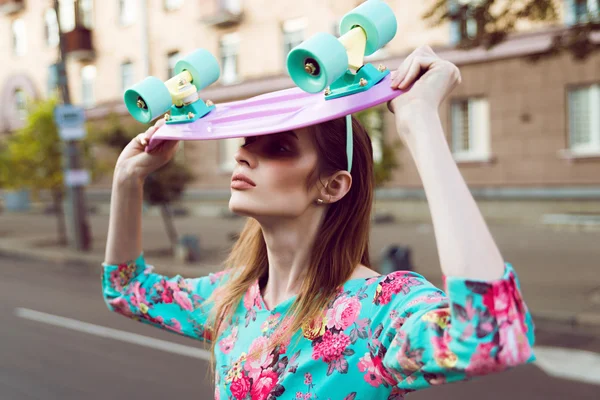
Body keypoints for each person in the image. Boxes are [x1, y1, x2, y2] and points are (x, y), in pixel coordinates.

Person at [102, 46, 535, 399]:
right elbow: (124, 290)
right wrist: (126, 179)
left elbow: (492, 336)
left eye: (280, 147)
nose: (243, 155)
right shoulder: (231, 298)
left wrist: (420, 122)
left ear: (332, 186)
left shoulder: (377, 309)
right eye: (249, 142)